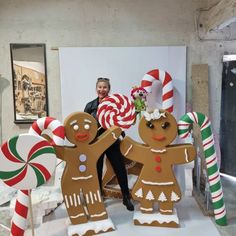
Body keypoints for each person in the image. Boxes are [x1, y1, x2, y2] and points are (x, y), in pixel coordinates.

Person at [84, 77, 134, 211]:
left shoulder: (116, 103)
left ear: (109, 89)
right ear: (96, 88)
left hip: (111, 140)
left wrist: (121, 131)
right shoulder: (90, 106)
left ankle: (126, 196)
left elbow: (121, 121)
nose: (102, 90)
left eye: (105, 87)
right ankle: (97, 196)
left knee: (120, 168)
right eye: (100, 87)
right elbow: (84, 124)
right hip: (96, 142)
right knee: (96, 169)